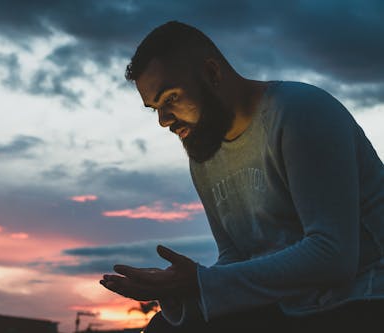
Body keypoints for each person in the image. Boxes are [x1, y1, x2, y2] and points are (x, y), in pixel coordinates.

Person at [99, 21, 384, 332]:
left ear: (212, 73)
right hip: (291, 305)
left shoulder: (300, 112)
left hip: (363, 297)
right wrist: (181, 288)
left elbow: (333, 256)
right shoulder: (204, 155)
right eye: (154, 108)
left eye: (170, 99)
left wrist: (201, 282)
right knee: (162, 328)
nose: (164, 121)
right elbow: (236, 257)